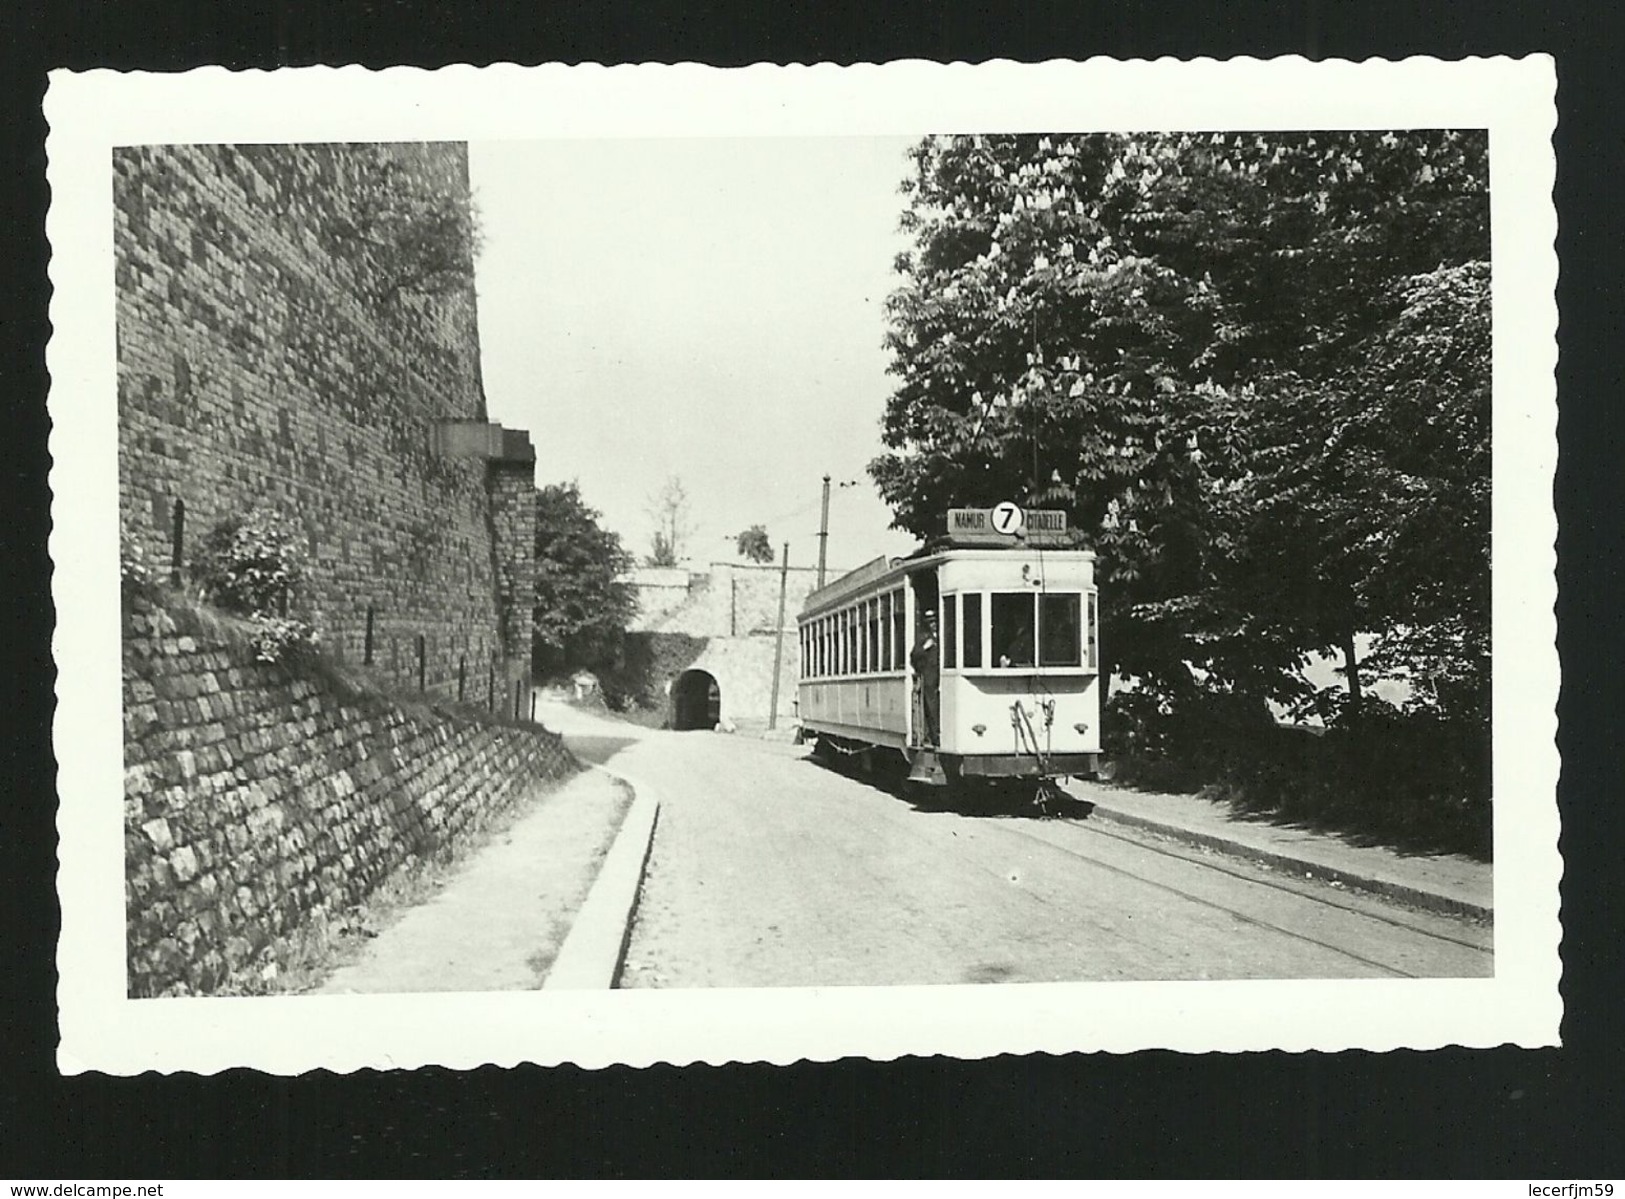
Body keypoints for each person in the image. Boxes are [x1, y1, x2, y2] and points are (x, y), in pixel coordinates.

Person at [910, 608, 941, 747]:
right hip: (930, 677)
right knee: (931, 706)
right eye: (930, 622)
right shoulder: (923, 638)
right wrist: (925, 649)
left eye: (934, 621)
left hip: (941, 676)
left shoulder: (943, 634)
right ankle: (934, 736)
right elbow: (914, 655)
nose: (933, 624)